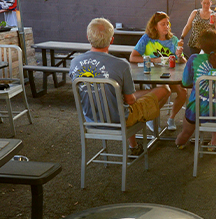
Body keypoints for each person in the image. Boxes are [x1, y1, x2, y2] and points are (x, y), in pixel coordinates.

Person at [71, 18, 170, 156]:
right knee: (164, 89)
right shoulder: (121, 65)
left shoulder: (74, 63)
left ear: (88, 37)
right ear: (112, 40)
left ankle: (134, 146)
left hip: (91, 119)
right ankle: (147, 122)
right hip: (119, 120)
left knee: (122, 101)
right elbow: (130, 101)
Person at [175, 30, 216, 150]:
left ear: (200, 45)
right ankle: (213, 142)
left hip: (196, 108)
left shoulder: (193, 59)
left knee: (185, 132)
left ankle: (180, 142)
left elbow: (185, 82)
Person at [129, 11, 186, 132]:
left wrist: (179, 56)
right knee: (165, 91)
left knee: (183, 92)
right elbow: (133, 57)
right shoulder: (146, 39)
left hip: (170, 76)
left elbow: (182, 61)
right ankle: (151, 117)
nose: (167, 26)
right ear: (155, 26)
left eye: (168, 24)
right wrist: (154, 60)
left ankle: (171, 118)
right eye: (163, 24)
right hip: (152, 75)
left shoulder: (173, 40)